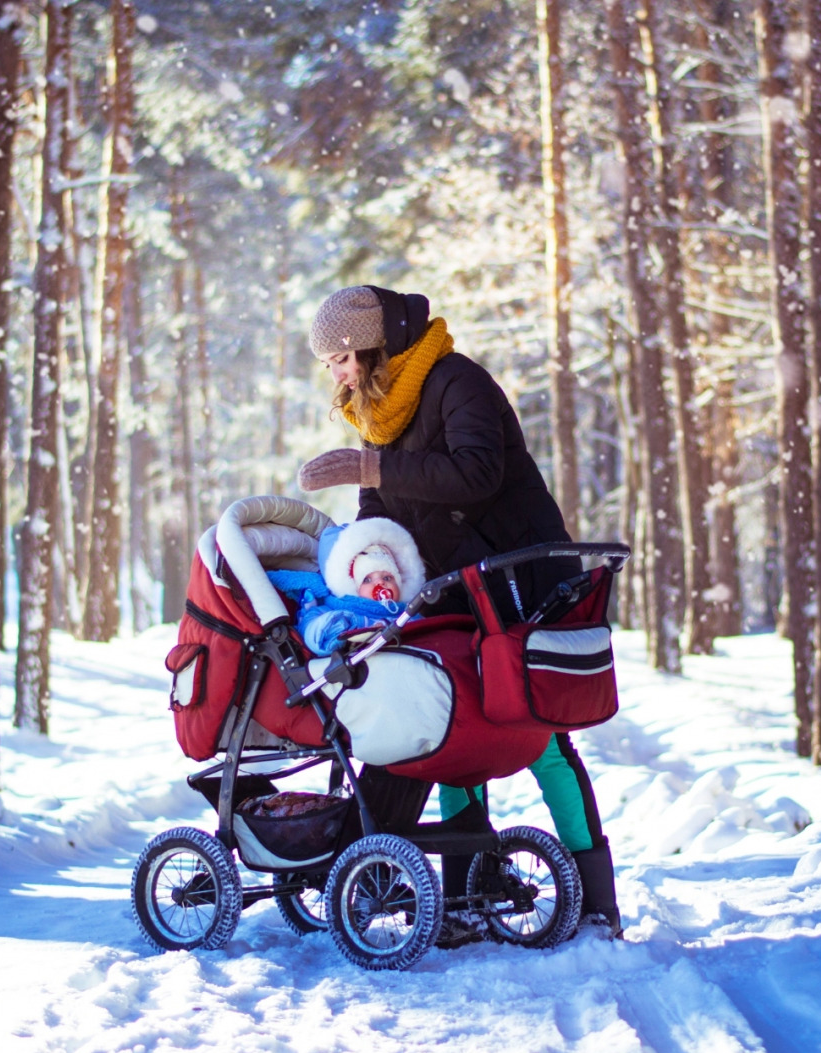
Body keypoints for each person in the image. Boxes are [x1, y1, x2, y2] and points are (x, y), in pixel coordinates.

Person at [297, 284, 623, 939]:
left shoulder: (455, 381)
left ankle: (595, 906)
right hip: (453, 589)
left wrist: (374, 467)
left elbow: (474, 475)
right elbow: (380, 507)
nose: (333, 373)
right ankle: (467, 896)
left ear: (372, 346)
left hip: (519, 582)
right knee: (457, 730)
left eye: (338, 357)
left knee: (543, 741)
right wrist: (373, 560)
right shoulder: (379, 413)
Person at [266, 517, 425, 655]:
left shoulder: (406, 612)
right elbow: (312, 629)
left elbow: (424, 629)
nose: (380, 583)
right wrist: (336, 626)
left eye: (388, 577)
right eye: (367, 580)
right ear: (352, 587)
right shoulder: (335, 609)